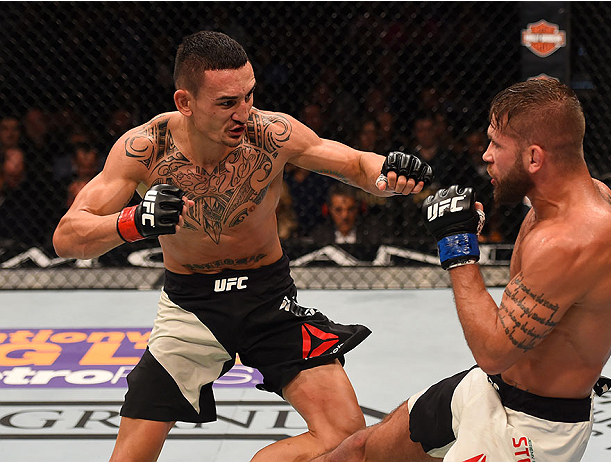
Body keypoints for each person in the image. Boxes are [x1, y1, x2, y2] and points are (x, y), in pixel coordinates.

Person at [52, 31, 432, 462]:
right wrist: (134, 220)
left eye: (249, 96)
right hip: (191, 308)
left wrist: (390, 172)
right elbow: (68, 237)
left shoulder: (272, 134)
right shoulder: (145, 148)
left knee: (347, 439)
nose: (243, 113)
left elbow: (355, 164)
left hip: (269, 300)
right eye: (227, 102)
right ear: (185, 102)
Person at [313, 79, 611, 462]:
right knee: (360, 451)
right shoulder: (566, 200)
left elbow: (493, 351)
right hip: (491, 387)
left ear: (534, 158)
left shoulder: (573, 239)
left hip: (531, 427)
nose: (485, 155)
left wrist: (457, 247)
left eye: (497, 144)